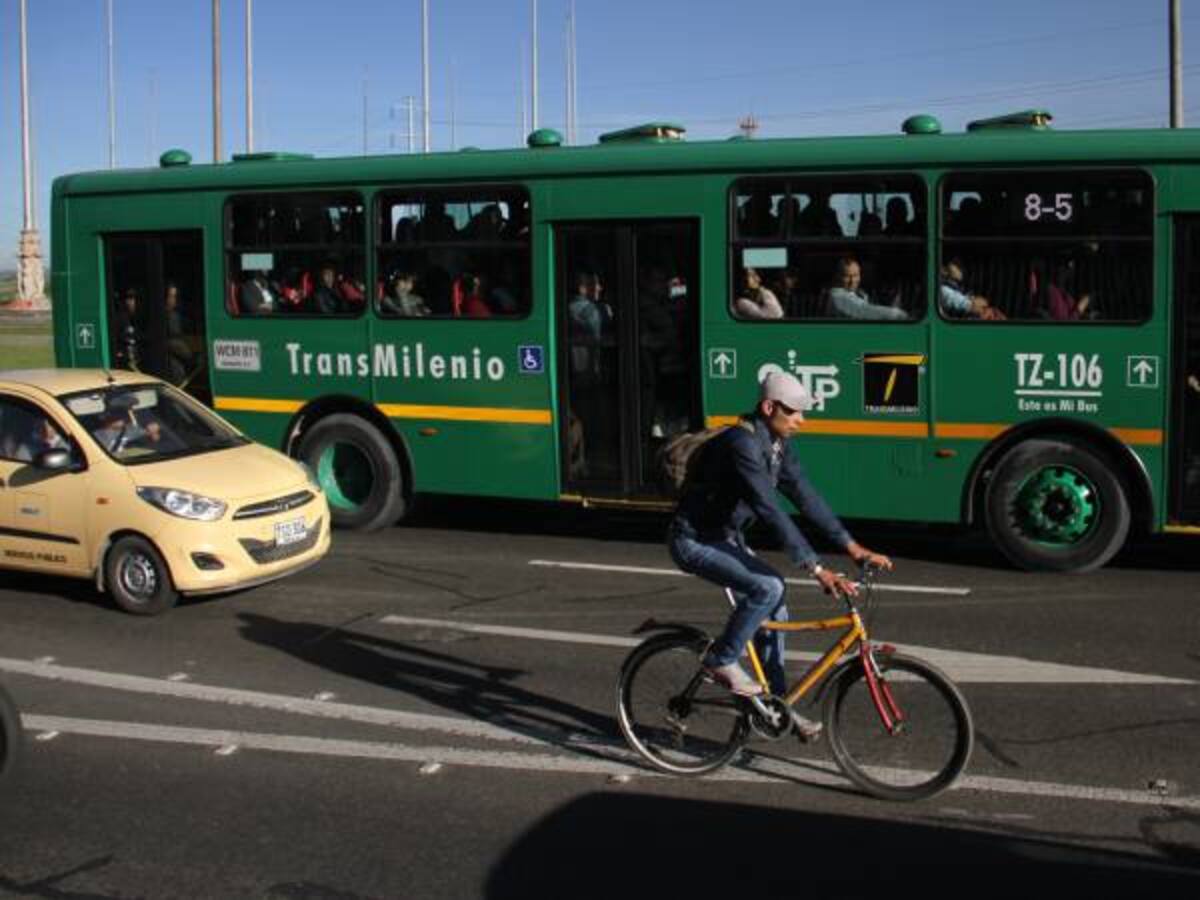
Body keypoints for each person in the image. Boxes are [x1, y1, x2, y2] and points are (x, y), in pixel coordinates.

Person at [668, 371, 893, 737]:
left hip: (727, 538)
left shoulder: (776, 444)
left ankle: (777, 707)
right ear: (769, 406)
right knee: (769, 587)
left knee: (777, 607)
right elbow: (769, 508)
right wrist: (816, 567)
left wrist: (853, 547)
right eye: (794, 412)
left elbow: (806, 496)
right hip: (694, 540)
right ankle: (721, 660)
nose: (802, 420)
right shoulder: (742, 444)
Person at [826, 257, 907, 320]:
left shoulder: (860, 293)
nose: (852, 280)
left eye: (855, 275)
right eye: (847, 276)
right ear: (837, 276)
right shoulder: (837, 295)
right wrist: (898, 314)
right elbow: (862, 310)